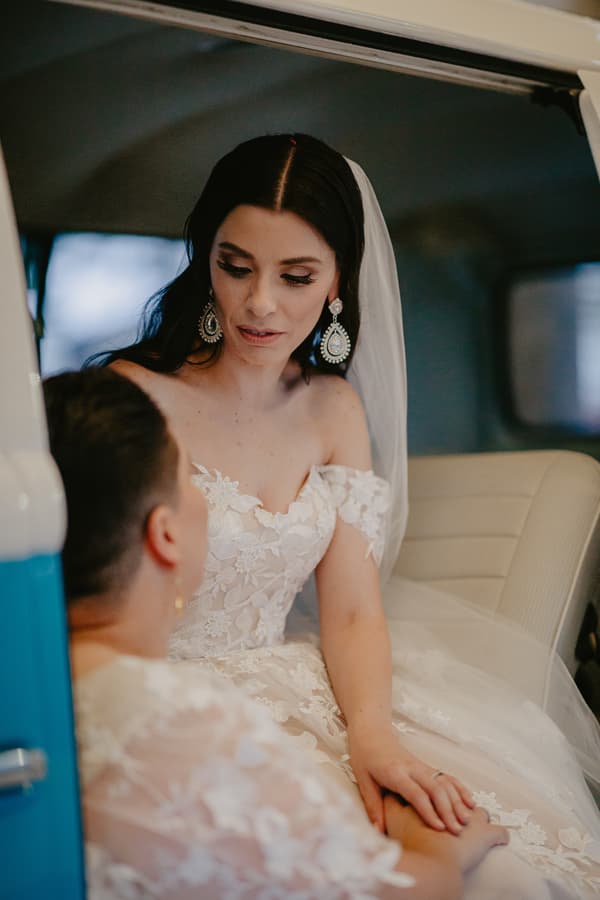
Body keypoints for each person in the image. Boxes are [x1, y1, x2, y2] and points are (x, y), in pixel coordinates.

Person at [99, 134, 600, 898]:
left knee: (503, 862)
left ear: (337, 282)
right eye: (236, 267)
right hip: (165, 686)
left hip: (310, 684)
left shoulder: (333, 408)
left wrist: (371, 735)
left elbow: (355, 608)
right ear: (207, 260)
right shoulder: (130, 396)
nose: (259, 303)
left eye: (295, 276)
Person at [45, 366, 508, 900]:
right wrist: (443, 852)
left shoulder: (36, 690)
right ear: (165, 534)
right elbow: (398, 892)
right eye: (190, 479)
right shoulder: (188, 723)